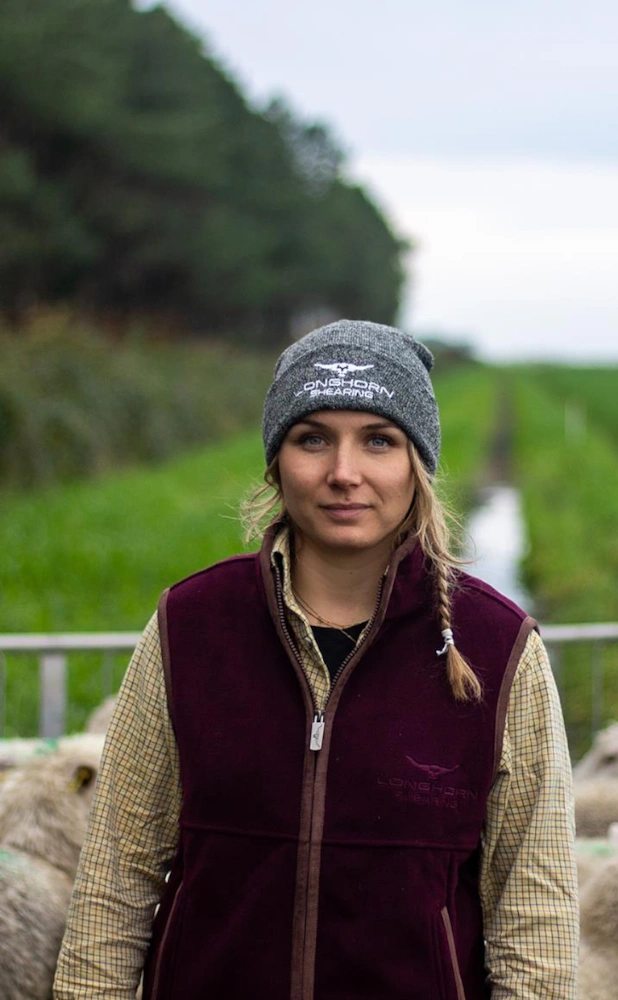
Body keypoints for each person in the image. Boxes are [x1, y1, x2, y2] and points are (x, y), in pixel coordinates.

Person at [54, 319, 578, 1000]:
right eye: (313, 439)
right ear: (277, 460)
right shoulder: (189, 627)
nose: (343, 474)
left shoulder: (499, 649)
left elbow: (534, 919)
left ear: (416, 464)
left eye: (379, 441)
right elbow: (115, 880)